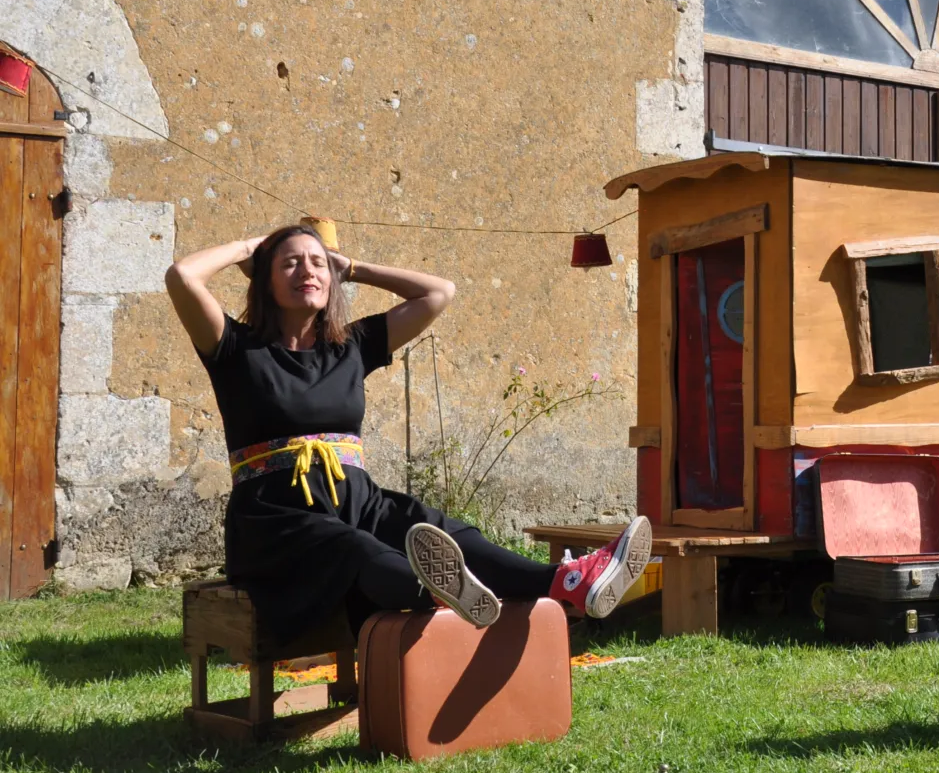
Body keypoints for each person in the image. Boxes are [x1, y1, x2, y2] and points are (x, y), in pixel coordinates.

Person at [165, 223, 651, 642]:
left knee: (438, 529)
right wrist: (250, 247)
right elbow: (182, 276)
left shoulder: (350, 347)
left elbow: (438, 293)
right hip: (275, 518)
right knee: (357, 549)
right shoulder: (234, 347)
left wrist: (353, 267)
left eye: (317, 263)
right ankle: (441, 594)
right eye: (289, 263)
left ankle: (567, 582)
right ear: (264, 279)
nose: (307, 271)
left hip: (355, 498)